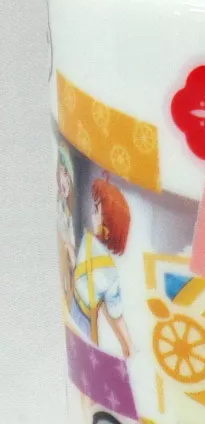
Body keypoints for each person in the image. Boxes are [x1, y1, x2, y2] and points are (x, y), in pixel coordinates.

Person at [71, 177, 132, 357]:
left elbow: (114, 311)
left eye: (96, 209)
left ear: (107, 223)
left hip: (82, 317)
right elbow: (114, 311)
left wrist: (127, 345)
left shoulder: (107, 269)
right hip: (77, 309)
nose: (92, 213)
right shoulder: (89, 240)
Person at [57, 143, 76, 304]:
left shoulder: (70, 213)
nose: (64, 181)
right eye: (61, 172)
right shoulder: (60, 209)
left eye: (66, 173)